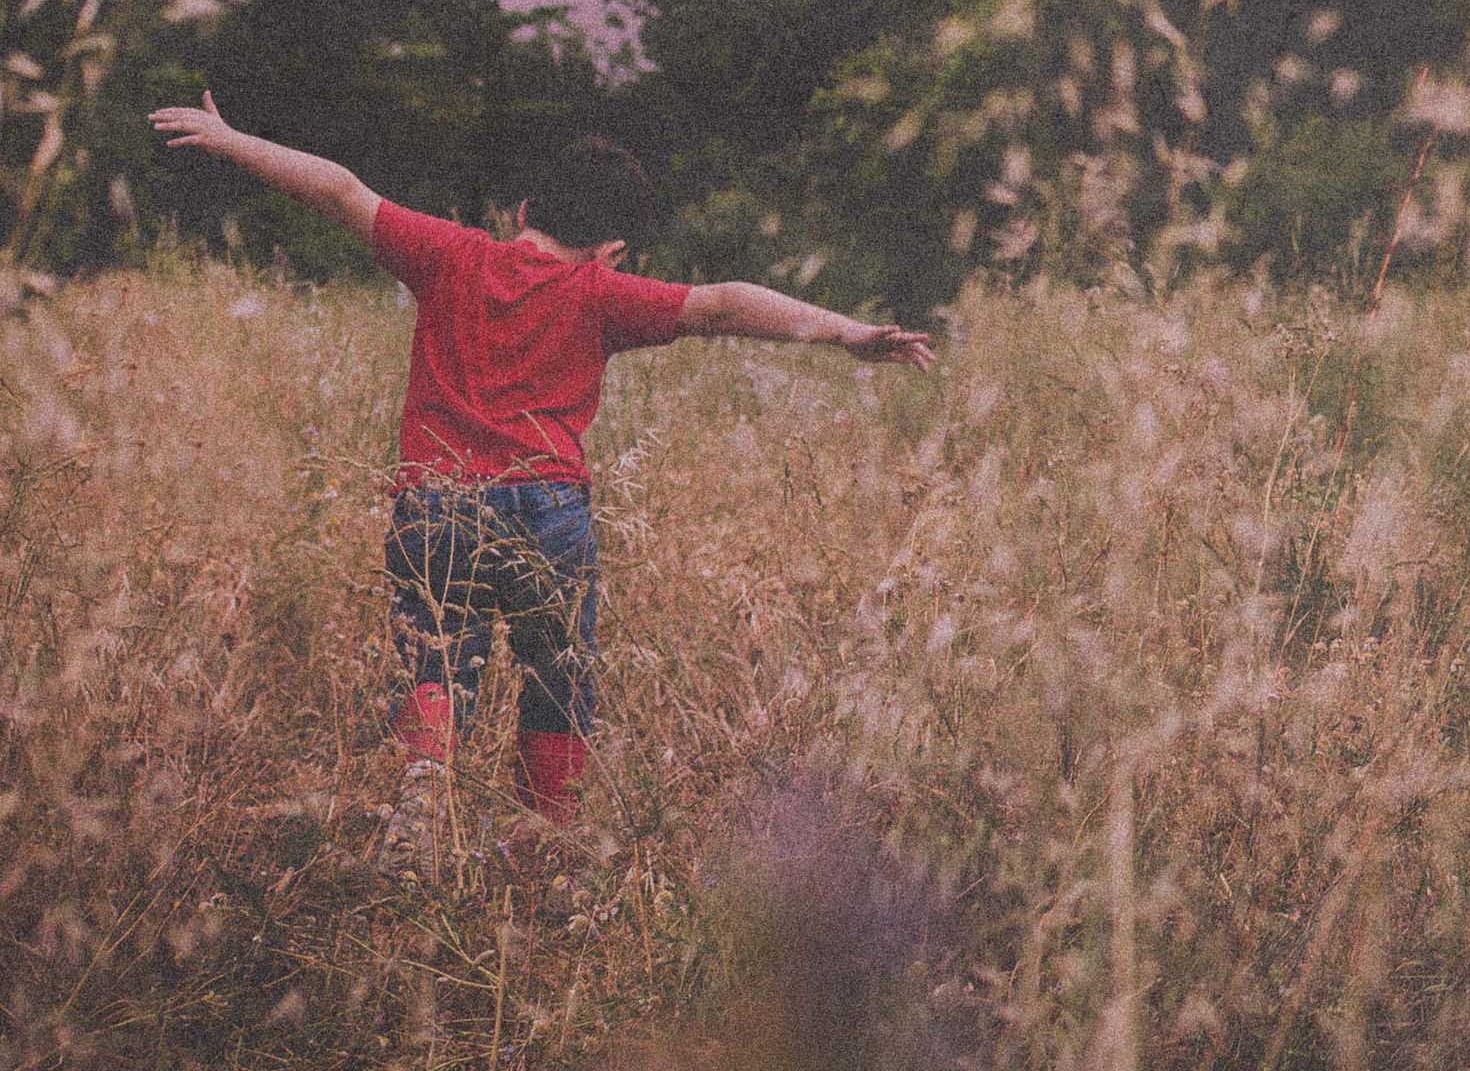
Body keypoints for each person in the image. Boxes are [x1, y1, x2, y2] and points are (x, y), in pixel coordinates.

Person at [149, 92, 934, 880]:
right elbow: (723, 305)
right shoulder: (600, 292)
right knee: (557, 677)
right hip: (549, 509)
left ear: (524, 210)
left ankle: (424, 797)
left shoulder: (451, 255)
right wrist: (845, 332)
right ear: (611, 249)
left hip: (438, 501)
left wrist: (231, 139)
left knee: (437, 660)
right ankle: (544, 838)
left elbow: (340, 191)